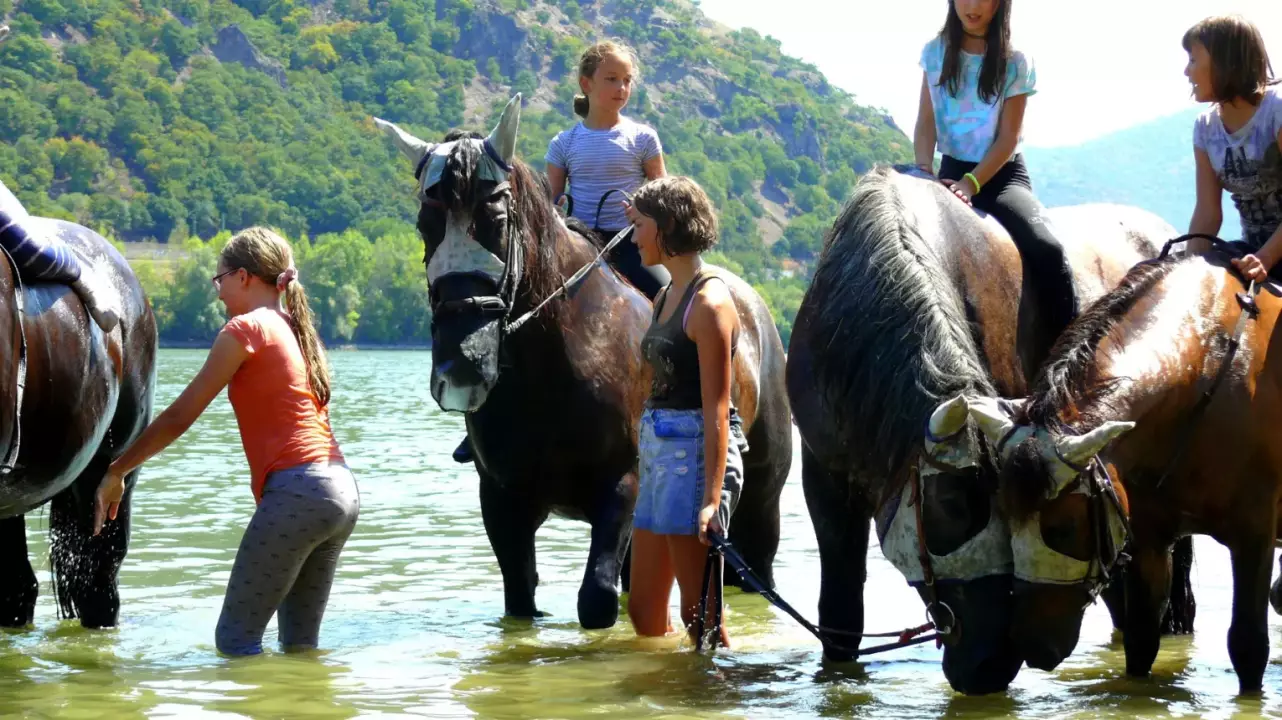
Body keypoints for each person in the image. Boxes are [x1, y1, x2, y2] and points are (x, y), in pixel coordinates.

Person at [93, 226, 358, 656]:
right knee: (301, 647)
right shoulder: (295, 327)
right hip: (341, 493)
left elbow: (181, 415)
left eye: (220, 280)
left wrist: (117, 468)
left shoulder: (245, 330)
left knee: (235, 640)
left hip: (299, 494)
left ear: (244, 277)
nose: (218, 294)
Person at [452, 39, 669, 464]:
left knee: (673, 300)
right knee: (510, 314)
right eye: (611, 79)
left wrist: (644, 208)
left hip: (631, 245)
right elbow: (548, 202)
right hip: (578, 246)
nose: (621, 88)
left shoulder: (643, 137)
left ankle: (691, 399)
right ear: (586, 83)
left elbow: (664, 190)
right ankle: (477, 416)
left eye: (627, 81)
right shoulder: (565, 142)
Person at [622, 176, 747, 650]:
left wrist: (712, 500)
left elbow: (717, 410)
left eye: (641, 226)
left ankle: (716, 693)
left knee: (702, 621)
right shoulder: (664, 296)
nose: (634, 238)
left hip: (695, 456)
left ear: (668, 225)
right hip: (660, 455)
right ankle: (671, 693)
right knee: (642, 610)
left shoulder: (709, 304)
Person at [913, 0, 1076, 361]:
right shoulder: (935, 52)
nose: (972, 6)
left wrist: (972, 183)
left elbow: (1008, 138)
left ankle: (1070, 359)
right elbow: (926, 122)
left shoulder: (1016, 61)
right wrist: (923, 169)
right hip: (949, 174)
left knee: (1048, 248)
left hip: (1001, 177)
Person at [1183, 15, 1282, 282]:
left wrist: (1267, 257)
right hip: (1252, 253)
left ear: (1225, 63)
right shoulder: (1205, 128)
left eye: (1193, 60)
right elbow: (1207, 213)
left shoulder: (1277, 112)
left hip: (1266, 256)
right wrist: (1183, 272)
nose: (1186, 71)